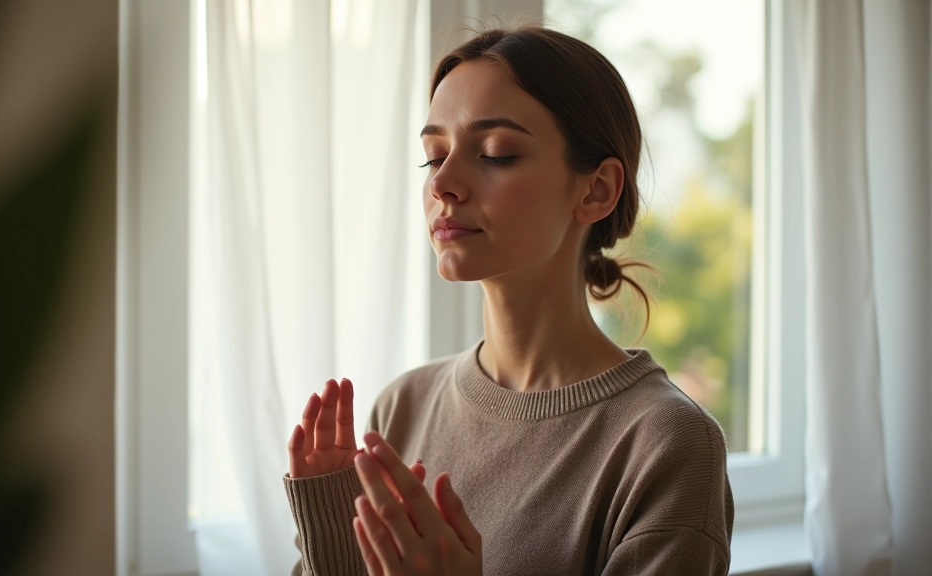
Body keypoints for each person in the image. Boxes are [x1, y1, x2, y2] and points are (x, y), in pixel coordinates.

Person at [283, 26, 733, 576]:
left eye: (496, 153)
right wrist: (331, 535)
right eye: (433, 156)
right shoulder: (400, 410)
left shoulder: (667, 446)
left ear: (596, 190)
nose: (443, 183)